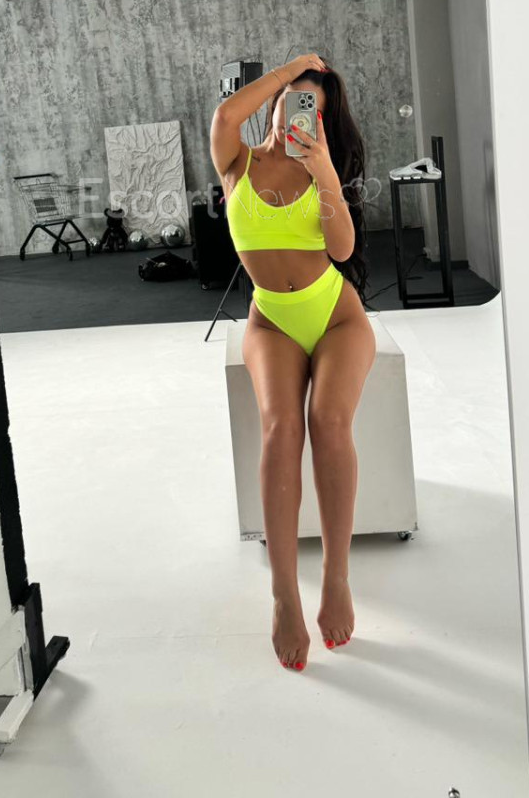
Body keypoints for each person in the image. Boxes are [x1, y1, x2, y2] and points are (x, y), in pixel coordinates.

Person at [210, 53, 375, 673]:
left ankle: (336, 577)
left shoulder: (320, 169)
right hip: (272, 321)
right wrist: (290, 71)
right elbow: (227, 116)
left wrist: (323, 166)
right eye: (291, 102)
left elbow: (343, 249)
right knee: (281, 430)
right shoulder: (237, 160)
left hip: (335, 316)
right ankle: (284, 596)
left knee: (329, 423)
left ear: (325, 122)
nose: (297, 114)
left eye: (313, 109)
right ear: (274, 102)